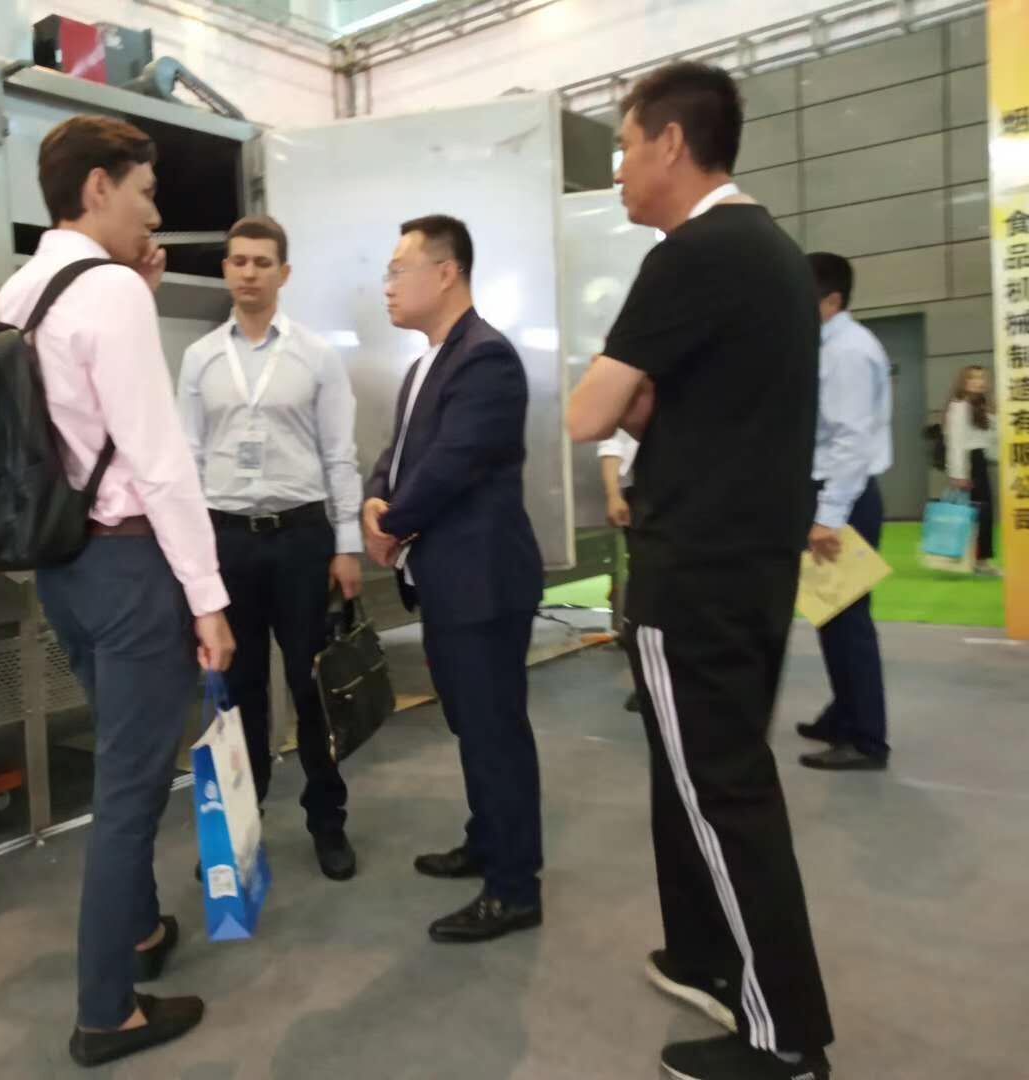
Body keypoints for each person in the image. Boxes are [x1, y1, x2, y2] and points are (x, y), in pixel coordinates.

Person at [566, 62, 834, 1080]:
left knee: (723, 792)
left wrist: (623, 390)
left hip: (695, 574)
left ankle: (785, 1038)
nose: (620, 171)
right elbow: (697, 411)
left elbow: (591, 412)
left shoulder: (691, 256)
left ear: (672, 143)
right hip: (753, 567)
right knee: (700, 778)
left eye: (626, 146)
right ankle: (706, 956)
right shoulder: (774, 254)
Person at [0, 115, 236, 1069]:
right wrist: (208, 596)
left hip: (65, 567)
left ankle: (138, 929)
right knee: (130, 789)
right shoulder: (112, 293)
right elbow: (158, 458)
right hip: (133, 570)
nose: (155, 213)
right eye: (144, 192)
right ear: (97, 187)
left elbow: (69, 420)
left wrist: (135, 291)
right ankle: (107, 1012)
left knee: (120, 757)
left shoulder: (23, 289)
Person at [364, 215, 545, 944]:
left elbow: (452, 464)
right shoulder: (426, 366)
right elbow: (400, 454)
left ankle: (515, 888)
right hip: (449, 580)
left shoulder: (486, 358)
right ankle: (488, 838)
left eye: (398, 269)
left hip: (484, 582)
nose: (387, 285)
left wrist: (391, 522)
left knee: (495, 730)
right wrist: (376, 499)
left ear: (446, 273)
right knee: (472, 723)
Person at [177, 214, 363, 881]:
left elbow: (339, 455)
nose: (248, 273)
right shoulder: (200, 358)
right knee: (239, 692)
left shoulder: (316, 355)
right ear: (225, 270)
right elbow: (188, 461)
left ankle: (327, 822)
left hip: (301, 538)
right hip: (229, 540)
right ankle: (239, 830)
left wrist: (347, 545)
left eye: (261, 262)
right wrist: (194, 562)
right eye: (238, 261)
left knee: (313, 687)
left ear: (283, 273)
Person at [798, 252, 893, 772]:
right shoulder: (830, 347)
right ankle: (845, 715)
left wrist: (828, 517)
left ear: (831, 300)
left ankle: (866, 738)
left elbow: (850, 442)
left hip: (843, 498)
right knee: (833, 614)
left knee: (847, 618)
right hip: (836, 495)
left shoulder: (848, 353)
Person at [599, 428, 641, 712]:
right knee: (647, 592)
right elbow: (611, 445)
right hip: (644, 495)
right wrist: (614, 495)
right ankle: (645, 683)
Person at [944, 364, 1000, 575]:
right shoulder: (959, 406)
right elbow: (955, 442)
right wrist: (959, 474)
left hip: (981, 461)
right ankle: (978, 561)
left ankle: (978, 559)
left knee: (983, 514)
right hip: (969, 463)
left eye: (982, 378)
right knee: (975, 513)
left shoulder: (983, 407)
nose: (979, 382)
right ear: (964, 382)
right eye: (973, 378)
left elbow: (992, 439)